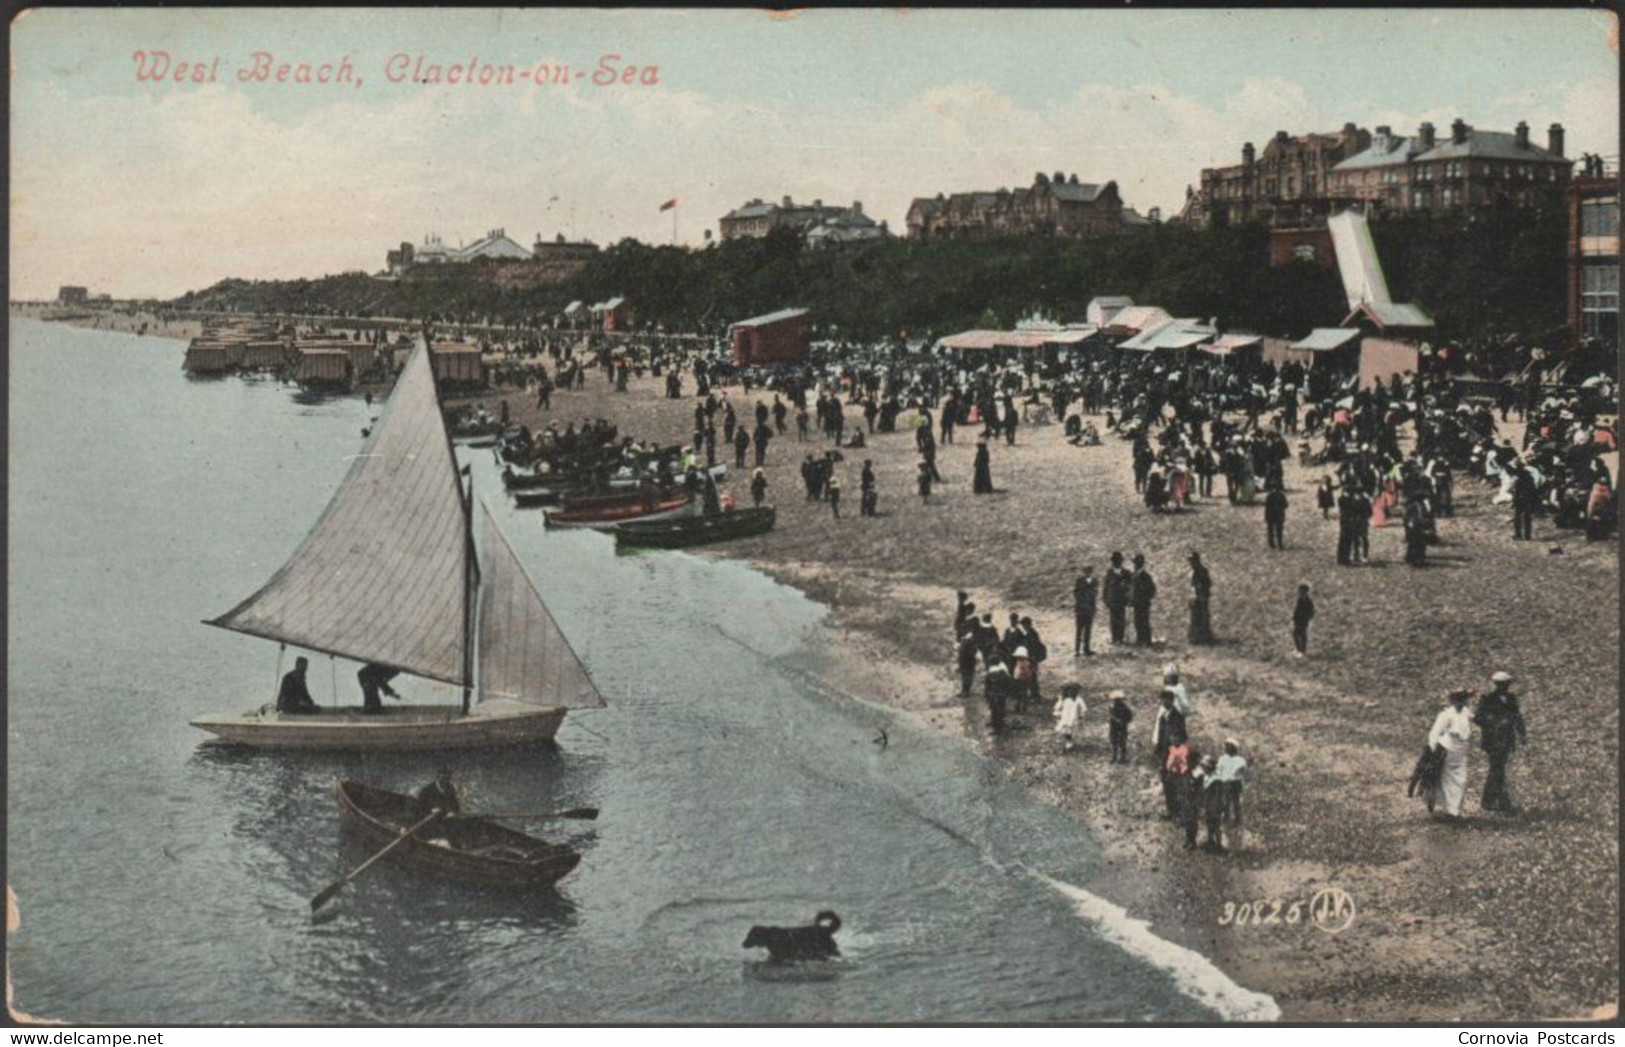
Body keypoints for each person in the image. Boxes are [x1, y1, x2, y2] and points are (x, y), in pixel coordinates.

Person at [1473, 671, 1528, 814]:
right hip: (1493, 739)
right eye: (1502, 684)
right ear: (1497, 684)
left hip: (1507, 739)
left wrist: (1522, 734)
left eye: (1507, 684)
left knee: (1498, 769)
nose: (1505, 687)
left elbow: (1517, 717)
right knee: (1497, 769)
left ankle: (1491, 801)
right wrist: (1496, 722)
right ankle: (1501, 802)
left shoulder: (1511, 698)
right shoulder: (1487, 699)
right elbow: (1478, 718)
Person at [1426, 689, 1474, 820]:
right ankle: (1450, 810)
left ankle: (1454, 809)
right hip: (1447, 749)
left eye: (1463, 699)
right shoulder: (1446, 715)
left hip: (1461, 751)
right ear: (1452, 701)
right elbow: (1434, 733)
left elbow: (1472, 723)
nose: (1462, 702)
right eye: (1458, 700)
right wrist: (1432, 751)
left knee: (1461, 779)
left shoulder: (1466, 712)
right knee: (1444, 779)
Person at [1212, 738, 1248, 826]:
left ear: (1233, 748)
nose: (1226, 748)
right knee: (1225, 800)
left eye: (1228, 747)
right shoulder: (1223, 759)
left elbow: (1241, 771)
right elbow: (1219, 769)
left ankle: (1237, 819)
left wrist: (1233, 777)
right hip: (1224, 782)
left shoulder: (1240, 760)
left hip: (1235, 783)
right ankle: (1226, 817)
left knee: (1236, 801)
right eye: (1226, 746)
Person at [1103, 552, 1130, 645]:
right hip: (1113, 600)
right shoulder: (1109, 572)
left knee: (1121, 619)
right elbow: (1106, 586)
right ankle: (1115, 638)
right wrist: (1105, 598)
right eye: (1115, 561)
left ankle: (1120, 638)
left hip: (1121, 599)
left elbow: (1130, 585)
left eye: (1118, 561)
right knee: (1113, 619)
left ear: (1121, 561)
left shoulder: (1126, 573)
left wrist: (1126, 590)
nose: (1116, 562)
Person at [1130, 553, 1157, 646]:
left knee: (1144, 621)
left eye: (1137, 563)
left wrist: (1146, 598)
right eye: (1135, 563)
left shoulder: (1145, 576)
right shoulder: (1134, 575)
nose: (1135, 565)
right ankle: (1140, 639)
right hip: (1137, 602)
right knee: (1138, 621)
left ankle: (1146, 640)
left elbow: (1152, 590)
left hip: (1143, 602)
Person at [1187, 552, 1213, 645]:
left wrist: (1201, 594)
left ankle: (1202, 638)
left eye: (1191, 561)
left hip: (1201, 597)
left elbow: (1207, 584)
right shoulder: (1194, 571)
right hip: (1196, 597)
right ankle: (1196, 637)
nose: (1190, 563)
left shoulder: (1202, 571)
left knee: (1201, 617)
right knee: (1195, 618)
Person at [1073, 566, 1098, 657]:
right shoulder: (1079, 581)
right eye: (1086, 572)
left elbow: (1094, 595)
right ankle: (1077, 649)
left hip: (1089, 609)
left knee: (1088, 630)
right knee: (1079, 630)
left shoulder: (1094, 582)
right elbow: (1076, 594)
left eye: (1089, 572)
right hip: (1081, 609)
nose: (1088, 573)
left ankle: (1086, 649)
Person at [1054, 684, 1085, 753]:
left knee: (1071, 730)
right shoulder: (1063, 699)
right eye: (1068, 691)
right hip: (1065, 717)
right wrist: (1057, 713)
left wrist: (1081, 715)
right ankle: (1067, 743)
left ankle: (1070, 743)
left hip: (1073, 718)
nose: (1071, 692)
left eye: (1073, 691)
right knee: (1064, 730)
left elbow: (1083, 708)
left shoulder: (1078, 699)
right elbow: (1057, 707)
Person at [1107, 691, 1134, 763]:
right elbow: (1111, 716)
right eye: (1116, 699)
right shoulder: (1112, 707)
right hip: (1114, 727)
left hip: (1122, 726)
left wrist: (1124, 721)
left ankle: (1122, 757)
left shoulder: (1125, 707)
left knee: (1122, 742)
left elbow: (1130, 717)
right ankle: (1115, 756)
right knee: (1114, 742)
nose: (1116, 701)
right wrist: (1116, 720)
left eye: (1118, 699)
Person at [1292, 583, 1315, 657]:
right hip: (1298, 621)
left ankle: (1302, 650)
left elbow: (1311, 611)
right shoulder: (1300, 600)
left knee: (1302, 635)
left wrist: (1306, 618)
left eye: (1301, 591)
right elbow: (1297, 610)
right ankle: (1299, 649)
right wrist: (1295, 617)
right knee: (1296, 634)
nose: (1299, 593)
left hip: (1303, 621)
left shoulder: (1308, 601)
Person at [1264, 484, 1288, 550]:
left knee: (1270, 530)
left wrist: (1266, 516)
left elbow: (1266, 505)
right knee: (1279, 530)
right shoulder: (1281, 495)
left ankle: (1271, 544)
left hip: (1270, 515)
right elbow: (1286, 505)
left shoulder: (1269, 496)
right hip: (1279, 515)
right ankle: (1280, 544)